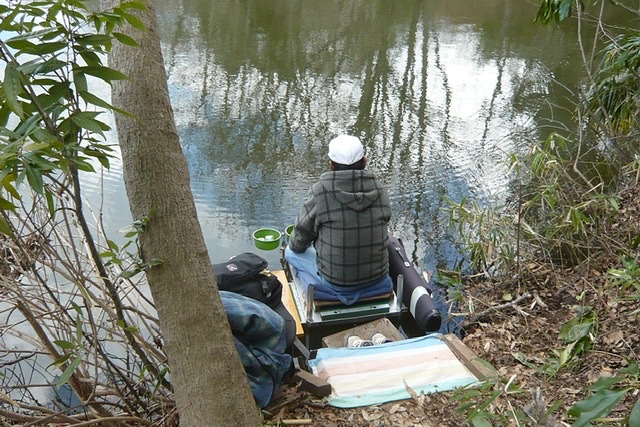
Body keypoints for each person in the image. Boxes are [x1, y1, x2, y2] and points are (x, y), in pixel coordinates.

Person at [285, 134, 393, 305]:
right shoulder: (380, 189)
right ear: (364, 162)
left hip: (337, 284)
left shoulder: (320, 191)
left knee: (290, 252)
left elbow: (299, 239)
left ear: (331, 165)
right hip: (377, 279)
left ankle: (314, 290)